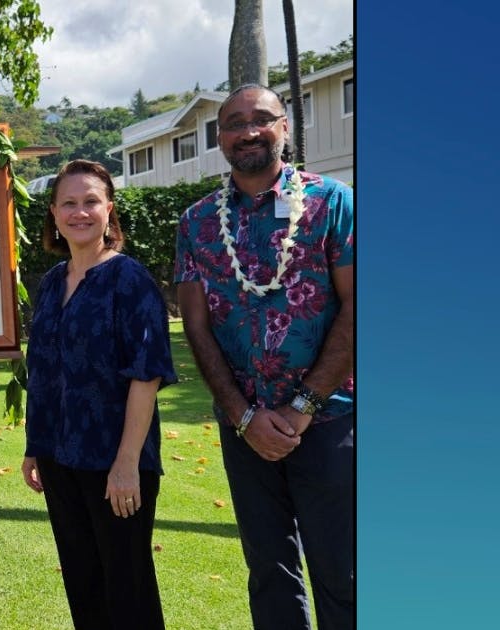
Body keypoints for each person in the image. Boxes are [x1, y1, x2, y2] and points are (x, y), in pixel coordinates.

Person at [174, 84, 355, 630]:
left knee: (342, 572)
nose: (248, 131)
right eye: (233, 122)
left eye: (261, 119)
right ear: (220, 138)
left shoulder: (331, 203)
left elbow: (358, 307)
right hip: (243, 429)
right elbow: (196, 326)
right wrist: (242, 416)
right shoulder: (198, 221)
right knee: (269, 573)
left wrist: (303, 406)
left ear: (285, 127)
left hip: (327, 422)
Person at [21, 159, 177, 629]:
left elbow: (145, 375)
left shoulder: (130, 280)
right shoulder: (51, 283)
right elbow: (45, 370)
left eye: (91, 201)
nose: (80, 212)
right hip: (59, 458)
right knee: (83, 583)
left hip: (115, 462)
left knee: (127, 589)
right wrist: (36, 445)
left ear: (109, 210)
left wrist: (127, 463)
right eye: (69, 203)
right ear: (53, 213)